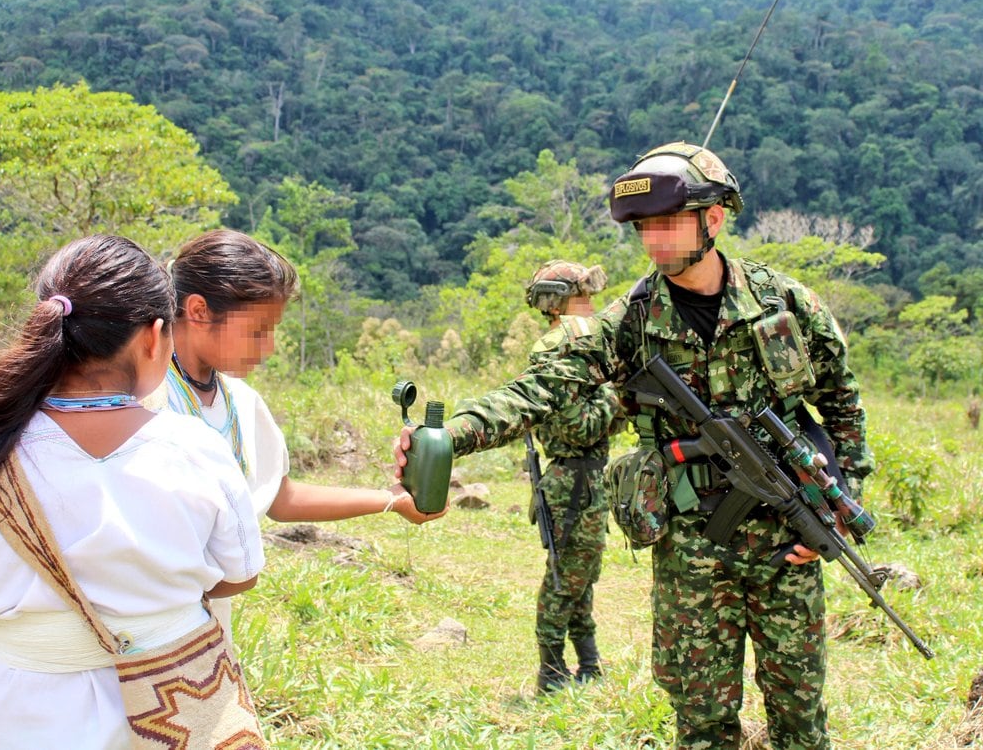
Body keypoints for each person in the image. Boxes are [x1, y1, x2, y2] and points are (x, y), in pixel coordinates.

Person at [397, 142, 874, 749]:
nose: (653, 242)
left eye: (668, 225)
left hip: (789, 542)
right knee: (701, 724)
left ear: (715, 220)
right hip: (692, 549)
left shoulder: (785, 303)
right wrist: (448, 436)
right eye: (645, 228)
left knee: (801, 722)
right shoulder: (632, 320)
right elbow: (543, 388)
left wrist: (837, 506)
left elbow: (842, 406)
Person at [0, 235, 265, 749]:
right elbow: (239, 576)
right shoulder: (195, 448)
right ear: (154, 338)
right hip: (170, 705)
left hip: (6, 709)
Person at [155, 230, 447, 627]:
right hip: (146, 627)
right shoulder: (145, 399)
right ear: (199, 310)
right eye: (258, 331)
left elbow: (280, 497)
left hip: (206, 625)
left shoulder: (240, 401)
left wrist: (391, 500)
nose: (269, 347)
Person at [522, 260, 620, 693]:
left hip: (587, 478)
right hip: (572, 483)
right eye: (583, 297)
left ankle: (588, 663)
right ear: (558, 302)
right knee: (565, 579)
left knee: (583, 575)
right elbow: (579, 428)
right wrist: (617, 399)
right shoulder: (554, 354)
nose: (592, 306)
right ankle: (551, 671)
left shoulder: (581, 347)